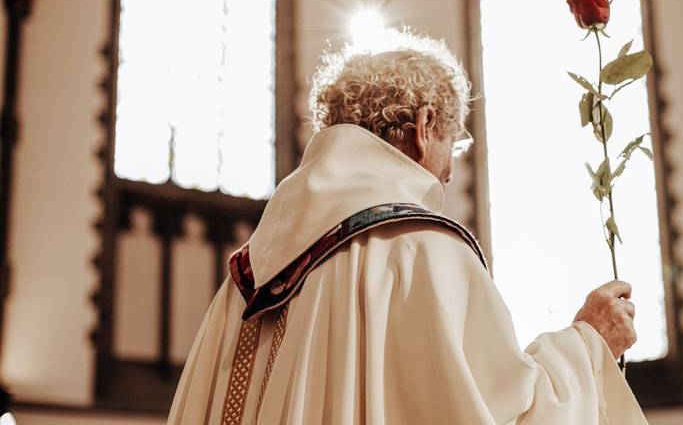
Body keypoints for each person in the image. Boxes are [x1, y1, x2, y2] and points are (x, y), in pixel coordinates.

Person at [168, 32, 649, 424]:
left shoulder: (245, 275)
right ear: (424, 125)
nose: (448, 174)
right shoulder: (419, 247)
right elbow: (501, 414)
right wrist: (590, 344)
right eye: (451, 146)